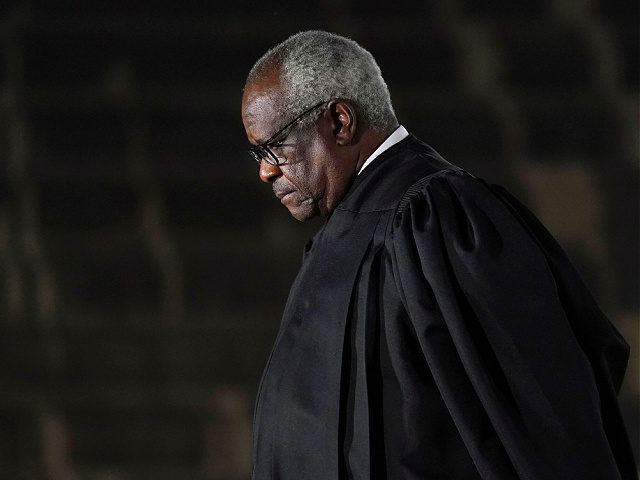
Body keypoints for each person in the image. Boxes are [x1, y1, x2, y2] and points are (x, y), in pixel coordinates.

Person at [241, 30, 636, 480]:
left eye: (274, 147)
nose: (265, 170)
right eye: (256, 152)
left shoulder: (438, 218)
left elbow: (539, 414)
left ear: (339, 121)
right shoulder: (351, 229)